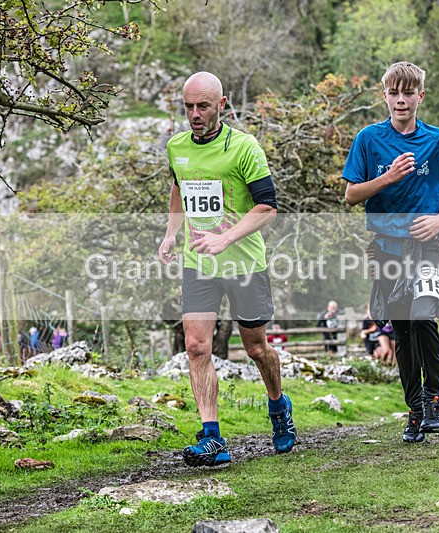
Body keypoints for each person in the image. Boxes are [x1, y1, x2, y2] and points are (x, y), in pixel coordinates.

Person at [158, 71, 296, 466]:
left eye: (203, 106)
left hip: (243, 262)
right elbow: (179, 189)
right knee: (196, 346)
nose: (195, 114)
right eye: (188, 106)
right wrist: (171, 234)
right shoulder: (177, 146)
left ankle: (277, 404)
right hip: (197, 262)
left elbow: (267, 206)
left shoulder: (245, 147)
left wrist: (226, 238)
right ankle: (212, 438)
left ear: (222, 104)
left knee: (256, 348)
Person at [342, 61, 439, 442]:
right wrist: (388, 177)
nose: (401, 100)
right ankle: (415, 409)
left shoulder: (438, 140)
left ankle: (435, 401)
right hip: (386, 250)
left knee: (423, 317)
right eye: (394, 93)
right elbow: (351, 195)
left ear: (420, 96)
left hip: (429, 246)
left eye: (408, 93)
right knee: (401, 330)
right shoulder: (369, 139)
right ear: (384, 96)